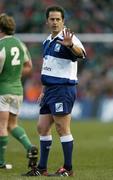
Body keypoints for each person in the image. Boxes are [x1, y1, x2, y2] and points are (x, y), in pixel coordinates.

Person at [24, 5, 86, 176]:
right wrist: (43, 90)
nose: (55, 22)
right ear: (47, 21)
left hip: (63, 89)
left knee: (61, 128)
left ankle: (68, 167)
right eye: (52, 19)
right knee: (42, 127)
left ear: (63, 21)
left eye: (58, 19)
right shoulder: (47, 41)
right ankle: (42, 169)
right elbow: (47, 67)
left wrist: (71, 45)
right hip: (49, 90)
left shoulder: (68, 37)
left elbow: (81, 54)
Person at [0, 13, 38, 169]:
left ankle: (1, 163)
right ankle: (29, 147)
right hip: (17, 90)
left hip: (3, 90)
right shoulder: (20, 44)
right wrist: (15, 74)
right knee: (12, 125)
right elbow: (29, 66)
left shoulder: (1, 45)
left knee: (1, 125)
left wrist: (7, 75)